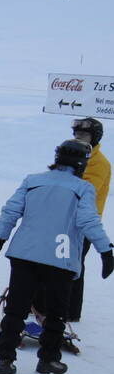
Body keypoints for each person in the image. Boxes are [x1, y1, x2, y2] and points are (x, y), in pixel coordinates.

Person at [0, 139, 112, 374]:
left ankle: (4, 360)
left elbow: (11, 210)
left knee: (15, 309)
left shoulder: (33, 180)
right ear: (81, 164)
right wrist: (105, 251)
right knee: (56, 313)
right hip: (60, 258)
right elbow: (88, 221)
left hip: (24, 255)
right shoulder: (83, 188)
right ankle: (48, 360)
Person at [67, 117, 109, 323]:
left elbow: (84, 192)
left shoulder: (98, 163)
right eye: (76, 134)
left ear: (94, 138)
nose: (77, 137)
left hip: (83, 224)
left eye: (83, 134)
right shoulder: (73, 155)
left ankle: (71, 311)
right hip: (64, 220)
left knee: (74, 266)